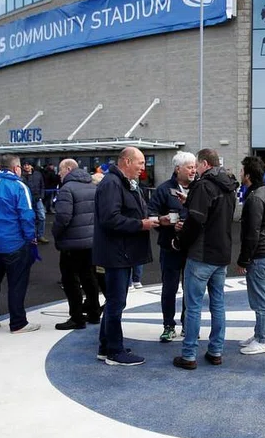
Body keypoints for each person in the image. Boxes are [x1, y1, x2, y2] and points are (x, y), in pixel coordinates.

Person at [93, 147, 160, 366]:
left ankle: (107, 347)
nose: (143, 167)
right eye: (140, 163)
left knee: (115, 302)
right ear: (127, 161)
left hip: (121, 251)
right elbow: (110, 219)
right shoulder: (112, 183)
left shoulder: (122, 183)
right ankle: (114, 351)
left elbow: (125, 213)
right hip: (116, 253)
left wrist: (148, 219)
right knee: (116, 303)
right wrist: (141, 224)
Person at [173, 149, 237, 370]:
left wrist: (180, 241)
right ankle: (216, 351)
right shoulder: (229, 185)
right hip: (222, 253)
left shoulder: (204, 186)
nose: (195, 169)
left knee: (193, 306)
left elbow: (196, 221)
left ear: (204, 164)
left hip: (201, 254)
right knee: (218, 304)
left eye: (197, 165)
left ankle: (189, 354)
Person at [0, 154, 39, 334]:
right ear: (16, 168)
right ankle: (18, 322)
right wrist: (30, 238)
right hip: (14, 242)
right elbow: (27, 215)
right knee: (17, 284)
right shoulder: (19, 186)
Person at [149, 152, 196, 341]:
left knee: (190, 288)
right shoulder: (163, 189)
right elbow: (150, 214)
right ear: (178, 169)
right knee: (169, 288)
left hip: (192, 247)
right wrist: (163, 221)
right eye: (189, 167)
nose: (193, 170)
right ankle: (168, 326)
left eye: (194, 166)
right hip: (170, 247)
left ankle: (188, 325)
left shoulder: (200, 188)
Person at [236, 156, 265, 354]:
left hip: (260, 255)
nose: (239, 174)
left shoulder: (254, 198)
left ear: (247, 175)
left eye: (242, 171)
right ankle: (259, 334)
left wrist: (243, 259)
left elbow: (252, 232)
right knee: (263, 297)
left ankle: (264, 339)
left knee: (260, 300)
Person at [51, 158, 101, 330]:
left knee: (71, 281)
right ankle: (94, 312)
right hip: (91, 242)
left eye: (60, 170)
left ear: (69, 169)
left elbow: (63, 218)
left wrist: (55, 234)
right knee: (89, 278)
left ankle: (77, 317)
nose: (59, 173)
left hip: (72, 244)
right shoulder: (93, 187)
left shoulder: (67, 189)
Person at [21, 161, 49, 243]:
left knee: (42, 216)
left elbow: (42, 185)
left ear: (32, 166)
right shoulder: (22, 176)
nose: (26, 166)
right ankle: (32, 236)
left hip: (38, 198)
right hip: (28, 200)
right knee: (30, 218)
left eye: (28, 165)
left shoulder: (38, 174)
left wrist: (41, 196)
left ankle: (40, 235)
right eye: (25, 165)